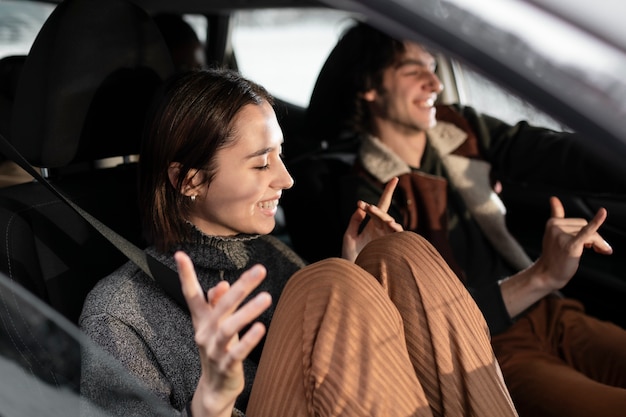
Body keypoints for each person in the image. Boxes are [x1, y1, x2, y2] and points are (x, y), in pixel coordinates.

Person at [78, 68, 519, 417]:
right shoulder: (118, 313)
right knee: (327, 282)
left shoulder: (270, 254)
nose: (286, 179)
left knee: (400, 254)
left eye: (281, 154)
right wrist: (211, 402)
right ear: (189, 179)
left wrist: (360, 281)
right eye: (260, 164)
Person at [299, 20, 626, 417]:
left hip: (550, 311)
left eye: (433, 68)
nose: (434, 84)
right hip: (484, 349)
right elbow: (424, 331)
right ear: (369, 87)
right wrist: (542, 275)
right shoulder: (365, 196)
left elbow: (557, 155)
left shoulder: (459, 129)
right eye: (413, 70)